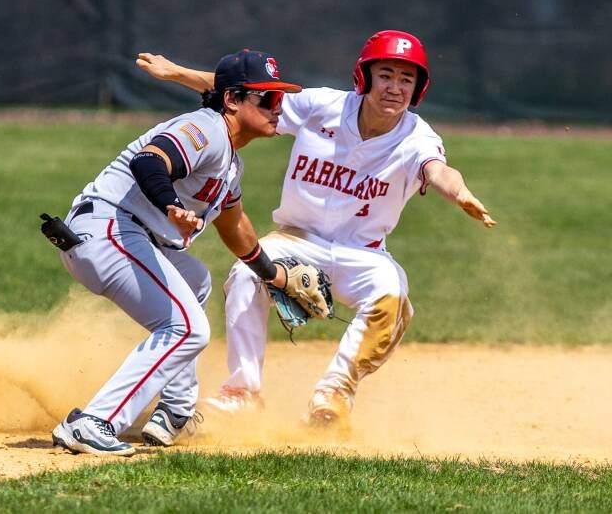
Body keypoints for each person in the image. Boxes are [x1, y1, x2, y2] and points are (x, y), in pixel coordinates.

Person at [136, 30, 497, 427]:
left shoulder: (417, 136)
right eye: (387, 75)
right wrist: (176, 73)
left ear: (418, 89)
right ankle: (242, 392)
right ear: (365, 77)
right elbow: (243, 90)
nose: (395, 87)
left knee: (392, 293)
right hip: (296, 240)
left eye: (406, 79)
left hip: (363, 253)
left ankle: (333, 396)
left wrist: (460, 193)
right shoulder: (323, 106)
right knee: (245, 275)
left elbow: (438, 170)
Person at [47, 49, 324, 456]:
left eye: (280, 98)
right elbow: (150, 161)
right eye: (266, 98)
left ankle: (173, 413)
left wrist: (273, 274)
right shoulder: (205, 128)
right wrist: (168, 206)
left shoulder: (231, 164)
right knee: (188, 328)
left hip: (119, 237)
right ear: (231, 99)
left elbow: (236, 227)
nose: (277, 107)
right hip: (110, 229)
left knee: (195, 281)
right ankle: (95, 422)